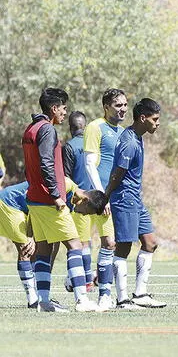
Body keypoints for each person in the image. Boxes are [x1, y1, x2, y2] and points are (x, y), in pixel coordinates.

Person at [22, 87, 103, 312]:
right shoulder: (47, 129)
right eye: (63, 108)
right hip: (49, 201)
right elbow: (46, 164)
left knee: (44, 249)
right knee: (75, 246)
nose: (65, 113)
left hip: (35, 199)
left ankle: (44, 301)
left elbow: (31, 168)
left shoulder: (31, 128)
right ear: (53, 108)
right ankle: (82, 300)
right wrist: (57, 196)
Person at [0, 178, 107, 308]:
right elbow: (34, 202)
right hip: (10, 203)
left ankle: (41, 299)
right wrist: (29, 235)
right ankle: (33, 300)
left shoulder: (70, 199)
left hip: (25, 208)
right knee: (26, 250)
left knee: (38, 252)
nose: (84, 215)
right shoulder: (65, 185)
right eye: (87, 212)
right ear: (85, 201)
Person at [104, 98, 166, 309]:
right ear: (143, 118)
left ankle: (140, 295)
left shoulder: (137, 137)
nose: (157, 123)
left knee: (150, 243)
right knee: (123, 247)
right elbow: (118, 172)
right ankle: (122, 300)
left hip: (135, 199)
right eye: (155, 119)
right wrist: (106, 196)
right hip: (124, 198)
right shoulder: (129, 141)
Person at [84, 88, 126, 309]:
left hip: (121, 196)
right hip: (104, 196)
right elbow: (90, 164)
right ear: (106, 106)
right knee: (108, 243)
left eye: (125, 105)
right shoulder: (94, 127)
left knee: (117, 244)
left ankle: (117, 294)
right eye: (118, 105)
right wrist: (102, 196)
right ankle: (104, 295)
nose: (123, 109)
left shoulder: (122, 131)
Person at [63, 111, 95, 293]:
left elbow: (66, 177)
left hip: (78, 201)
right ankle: (85, 277)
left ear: (70, 127)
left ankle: (86, 280)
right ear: (85, 126)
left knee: (81, 243)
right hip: (95, 199)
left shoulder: (69, 147)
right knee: (88, 241)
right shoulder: (93, 145)